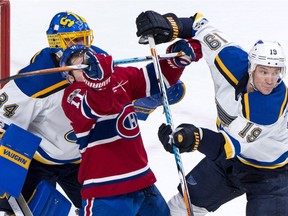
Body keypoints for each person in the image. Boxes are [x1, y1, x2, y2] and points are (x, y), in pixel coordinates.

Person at [135, 11, 288, 216]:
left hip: (270, 176)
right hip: (229, 163)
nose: (271, 80)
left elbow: (225, 146)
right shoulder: (230, 58)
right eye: (264, 71)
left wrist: (192, 137)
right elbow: (199, 25)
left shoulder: (269, 107)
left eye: (276, 72)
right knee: (182, 208)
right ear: (251, 68)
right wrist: (170, 26)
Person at [59, 36, 202, 215]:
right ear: (70, 77)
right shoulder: (72, 95)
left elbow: (157, 78)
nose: (83, 58)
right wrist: (99, 80)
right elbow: (99, 106)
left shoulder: (119, 77)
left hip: (142, 182)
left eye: (85, 53)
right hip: (105, 189)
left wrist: (177, 60)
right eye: (75, 60)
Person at [0, 11, 108, 215]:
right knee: (31, 210)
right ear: (56, 43)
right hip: (41, 161)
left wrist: (153, 89)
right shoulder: (35, 82)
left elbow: (124, 94)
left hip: (82, 158)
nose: (81, 46)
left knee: (106, 209)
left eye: (84, 38)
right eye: (73, 40)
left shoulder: (99, 63)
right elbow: (2, 117)